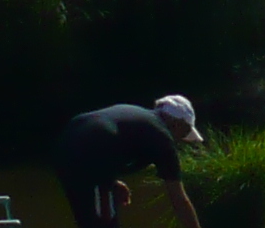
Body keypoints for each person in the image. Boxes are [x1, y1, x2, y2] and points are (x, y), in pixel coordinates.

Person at [48, 98, 204, 228]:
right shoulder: (162, 136)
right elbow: (179, 199)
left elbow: (102, 135)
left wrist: (111, 182)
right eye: (184, 133)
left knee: (90, 221)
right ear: (176, 122)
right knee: (104, 224)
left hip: (66, 144)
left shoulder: (138, 117)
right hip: (93, 150)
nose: (180, 141)